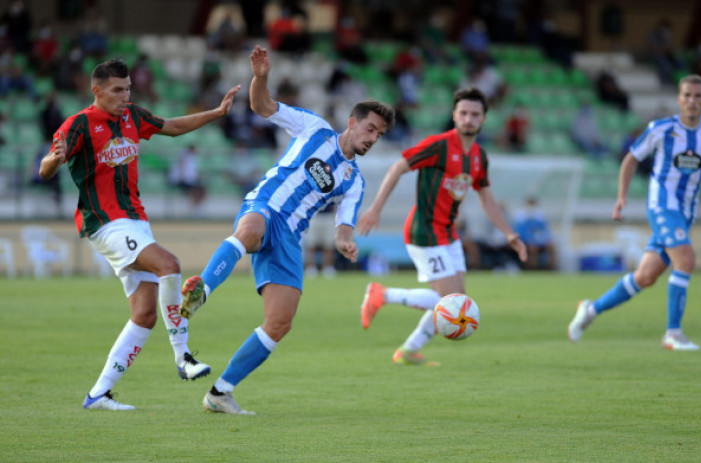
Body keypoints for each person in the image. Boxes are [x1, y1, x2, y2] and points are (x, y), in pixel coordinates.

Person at [179, 45, 394, 415]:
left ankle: (220, 392)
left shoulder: (354, 180)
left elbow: (344, 226)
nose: (373, 138)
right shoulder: (314, 128)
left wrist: (346, 243)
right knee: (249, 229)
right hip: (266, 206)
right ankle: (202, 291)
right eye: (370, 129)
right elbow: (262, 107)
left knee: (280, 322)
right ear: (352, 123)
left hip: (290, 237)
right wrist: (261, 77)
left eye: (379, 134)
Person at [38, 58, 241, 410]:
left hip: (135, 221)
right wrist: (54, 161)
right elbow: (44, 168)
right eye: (117, 90)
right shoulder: (79, 125)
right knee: (170, 264)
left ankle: (98, 394)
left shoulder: (133, 115)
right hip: (104, 222)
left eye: (128, 88)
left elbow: (173, 127)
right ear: (96, 91)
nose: (124, 95)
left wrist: (216, 113)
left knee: (145, 312)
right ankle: (183, 358)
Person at [357, 87, 527, 366]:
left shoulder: (479, 157)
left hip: (448, 233)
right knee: (451, 302)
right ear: (454, 115)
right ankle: (382, 294)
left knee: (457, 300)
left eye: (475, 114)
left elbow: (487, 197)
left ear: (484, 118)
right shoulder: (439, 145)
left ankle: (409, 351)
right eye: (463, 113)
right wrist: (375, 208)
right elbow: (397, 167)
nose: (468, 118)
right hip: (423, 230)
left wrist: (509, 233)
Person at [568, 74, 701, 351]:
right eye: (687, 95)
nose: (692, 101)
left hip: (685, 212)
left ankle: (590, 309)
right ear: (679, 99)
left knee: (645, 276)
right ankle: (673, 333)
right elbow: (630, 159)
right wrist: (621, 197)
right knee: (686, 259)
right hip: (661, 205)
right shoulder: (661, 129)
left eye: (698, 96)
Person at [513, 197, 557, 270]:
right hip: (526, 241)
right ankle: (532, 268)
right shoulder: (521, 217)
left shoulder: (540, 216)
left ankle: (551, 268)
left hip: (539, 241)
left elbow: (545, 231)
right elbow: (520, 233)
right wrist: (530, 240)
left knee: (551, 247)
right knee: (532, 249)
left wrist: (543, 240)